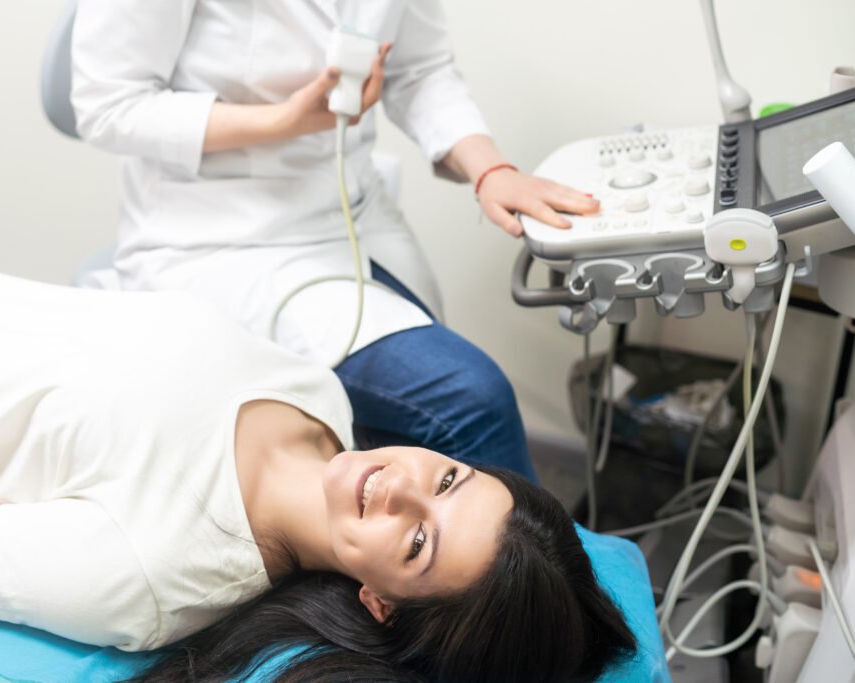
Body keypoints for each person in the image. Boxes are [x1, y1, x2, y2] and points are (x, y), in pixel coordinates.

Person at [0, 243, 633, 682]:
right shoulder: (319, 395)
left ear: (381, 603)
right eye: (449, 478)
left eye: (417, 540)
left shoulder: (149, 571)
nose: (400, 487)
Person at [70, 0, 601, 480]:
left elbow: (420, 71)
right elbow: (107, 104)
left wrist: (490, 170)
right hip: (223, 238)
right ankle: (538, 586)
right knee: (469, 401)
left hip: (351, 211)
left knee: (417, 424)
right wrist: (284, 121)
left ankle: (452, 580)